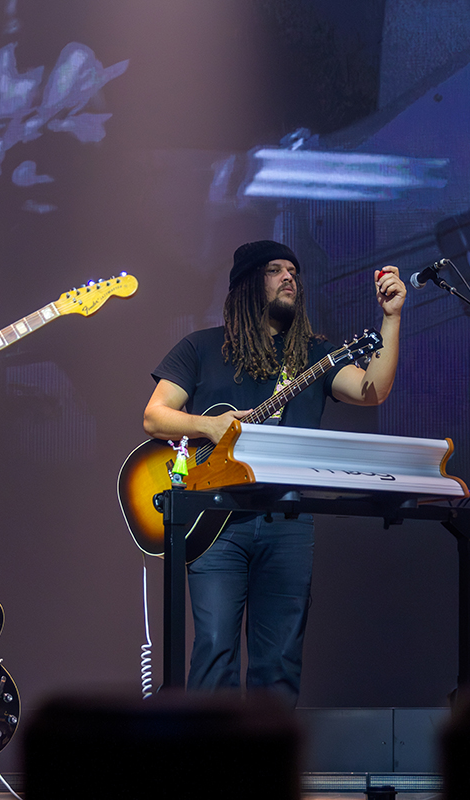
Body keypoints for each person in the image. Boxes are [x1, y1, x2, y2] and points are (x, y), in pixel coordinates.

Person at [143, 239, 405, 705]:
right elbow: (155, 416)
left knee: (280, 659)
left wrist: (392, 318)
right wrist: (210, 425)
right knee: (214, 650)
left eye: (293, 272)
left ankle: (269, 752)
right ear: (247, 283)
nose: (289, 278)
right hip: (216, 522)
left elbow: (373, 391)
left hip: (288, 521)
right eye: (275, 270)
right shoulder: (201, 347)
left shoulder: (315, 354)